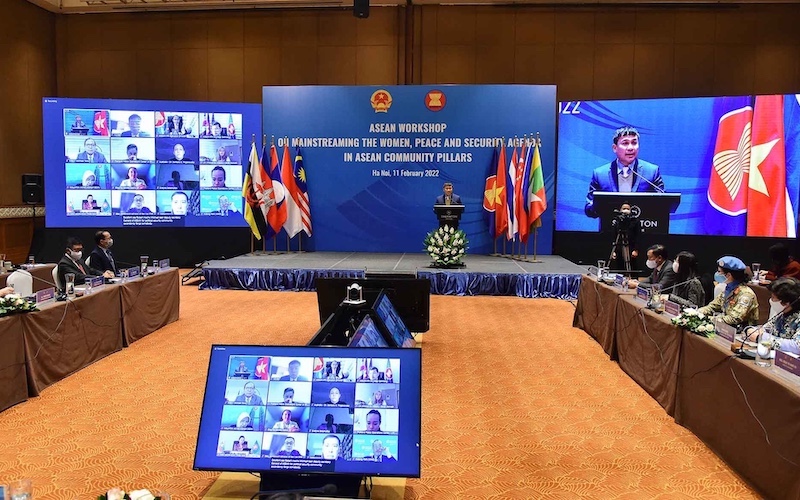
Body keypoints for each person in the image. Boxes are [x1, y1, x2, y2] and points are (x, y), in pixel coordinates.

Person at [584, 126, 664, 218]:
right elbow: (589, 209)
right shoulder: (600, 174)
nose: (630, 148)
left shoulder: (651, 172)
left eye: (634, 143)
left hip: (643, 225)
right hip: (610, 226)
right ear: (615, 148)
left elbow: (663, 204)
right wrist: (601, 205)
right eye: (625, 143)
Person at [698, 256, 759, 327]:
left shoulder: (746, 294)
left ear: (728, 275)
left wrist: (707, 318)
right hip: (726, 328)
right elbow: (712, 307)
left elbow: (734, 319)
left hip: (743, 330)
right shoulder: (728, 289)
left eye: (719, 272)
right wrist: (697, 312)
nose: (717, 274)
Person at [744, 278, 800, 354]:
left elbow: (797, 346)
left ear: (786, 303)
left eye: (773, 298)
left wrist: (761, 338)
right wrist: (750, 330)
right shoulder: (781, 314)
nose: (771, 300)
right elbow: (764, 329)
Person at [608, 202, 640, 272]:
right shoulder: (617, 221)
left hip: (631, 247)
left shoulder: (635, 221)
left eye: (628, 209)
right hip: (619, 248)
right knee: (619, 267)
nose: (626, 210)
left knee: (632, 266)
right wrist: (614, 251)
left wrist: (636, 250)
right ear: (620, 210)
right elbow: (614, 236)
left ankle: (632, 278)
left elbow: (638, 236)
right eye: (624, 208)